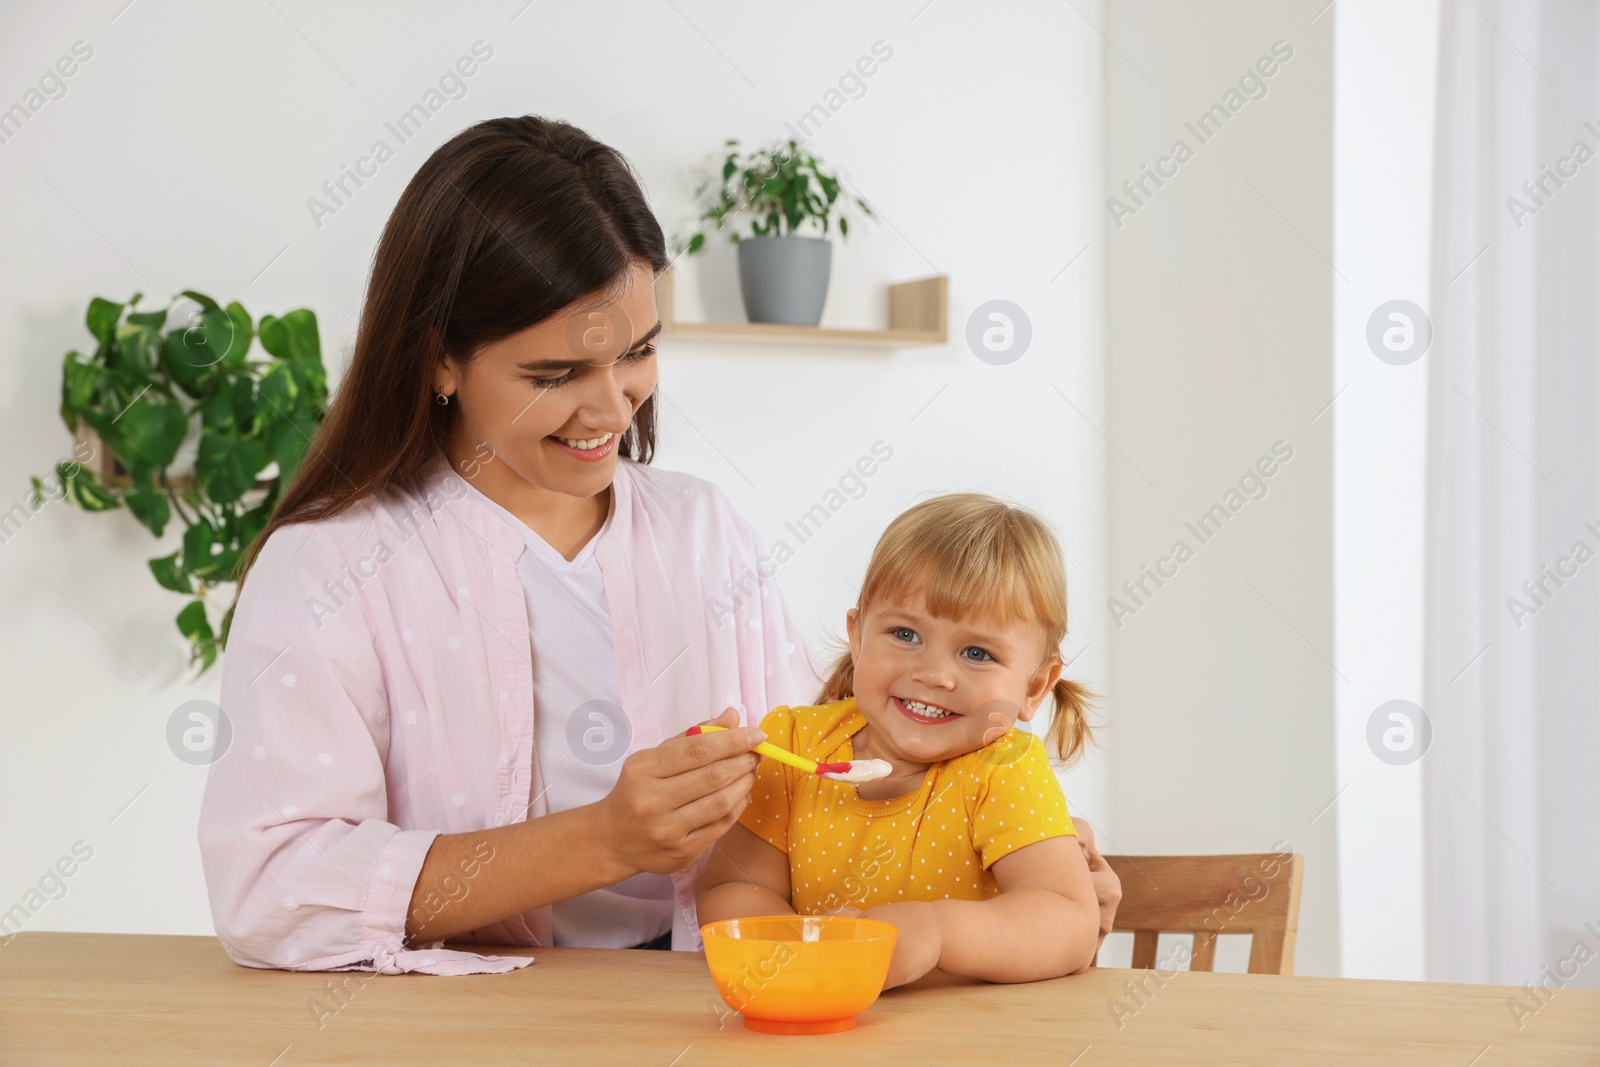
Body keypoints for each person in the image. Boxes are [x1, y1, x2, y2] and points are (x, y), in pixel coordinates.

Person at [197, 114, 1121, 977]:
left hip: (705, 1004)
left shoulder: (701, 531)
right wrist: (603, 839)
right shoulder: (330, 570)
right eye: (555, 373)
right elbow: (271, 891)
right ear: (439, 356)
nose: (611, 408)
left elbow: (825, 777)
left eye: (637, 351)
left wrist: (1019, 861)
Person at [698, 494, 1102, 988]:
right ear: (859, 637)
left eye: (977, 652)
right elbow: (732, 886)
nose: (933, 675)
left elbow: (1070, 923)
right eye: (906, 635)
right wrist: (798, 944)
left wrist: (936, 932)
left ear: (1035, 686)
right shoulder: (796, 748)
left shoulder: (1005, 769)